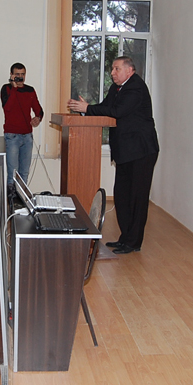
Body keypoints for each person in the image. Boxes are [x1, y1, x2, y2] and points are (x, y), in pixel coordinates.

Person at [67, 56, 159, 255]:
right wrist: (86, 109)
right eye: (112, 69)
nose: (112, 73)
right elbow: (105, 108)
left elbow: (118, 111)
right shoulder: (116, 88)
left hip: (141, 151)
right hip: (125, 151)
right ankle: (125, 238)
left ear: (130, 70)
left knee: (137, 198)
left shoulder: (136, 87)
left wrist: (88, 108)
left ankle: (133, 242)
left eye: (117, 69)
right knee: (122, 196)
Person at [0, 62, 43, 190]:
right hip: (12, 136)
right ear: (11, 75)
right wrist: (14, 88)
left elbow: (39, 110)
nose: (20, 77)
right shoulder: (6, 89)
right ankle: (11, 199)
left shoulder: (30, 90)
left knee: (24, 172)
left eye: (23, 74)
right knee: (13, 173)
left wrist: (38, 118)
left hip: (27, 136)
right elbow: (7, 108)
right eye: (17, 74)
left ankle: (22, 198)